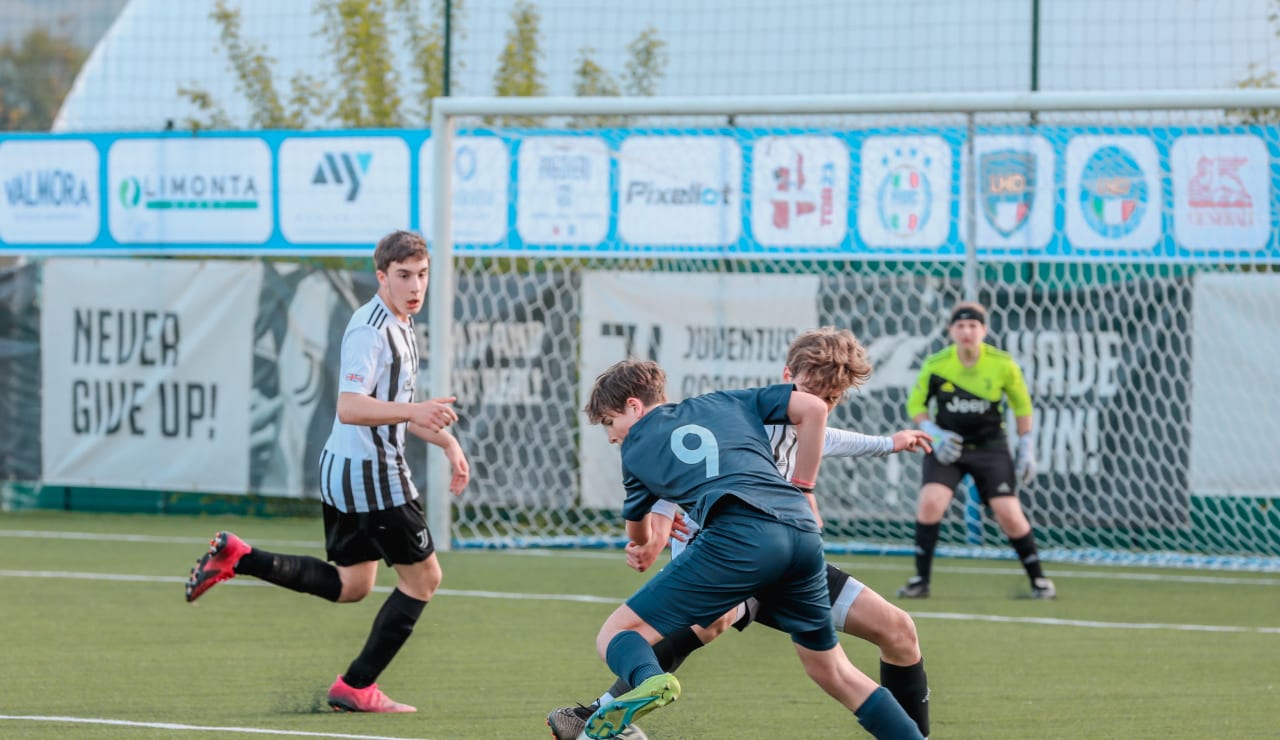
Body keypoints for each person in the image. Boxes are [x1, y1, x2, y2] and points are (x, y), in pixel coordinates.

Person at [547, 328, 933, 740]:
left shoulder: (759, 416)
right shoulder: (742, 411)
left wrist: (887, 443)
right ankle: (602, 718)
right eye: (812, 390)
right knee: (716, 623)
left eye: (832, 395)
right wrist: (659, 528)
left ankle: (605, 716)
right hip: (747, 541)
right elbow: (674, 474)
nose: (822, 401)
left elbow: (826, 435)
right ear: (788, 377)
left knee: (897, 629)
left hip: (756, 544)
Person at [183, 230, 470, 713]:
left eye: (422, 274)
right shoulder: (370, 329)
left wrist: (445, 440)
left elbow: (390, 407)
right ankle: (356, 686)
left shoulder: (401, 322)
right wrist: (414, 411)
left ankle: (240, 557)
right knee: (424, 580)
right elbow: (351, 407)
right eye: (403, 275)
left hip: (347, 469)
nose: (415, 285)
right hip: (372, 474)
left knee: (353, 585)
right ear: (381, 277)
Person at [897, 300, 1056, 600]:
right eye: (960, 325)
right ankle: (920, 581)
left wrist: (1027, 446)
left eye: (973, 325)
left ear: (984, 330)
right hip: (948, 448)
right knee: (930, 503)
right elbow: (915, 405)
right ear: (950, 331)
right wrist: (934, 434)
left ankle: (1039, 580)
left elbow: (1022, 406)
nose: (967, 331)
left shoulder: (1002, 364)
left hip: (990, 448)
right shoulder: (936, 364)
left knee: (1009, 513)